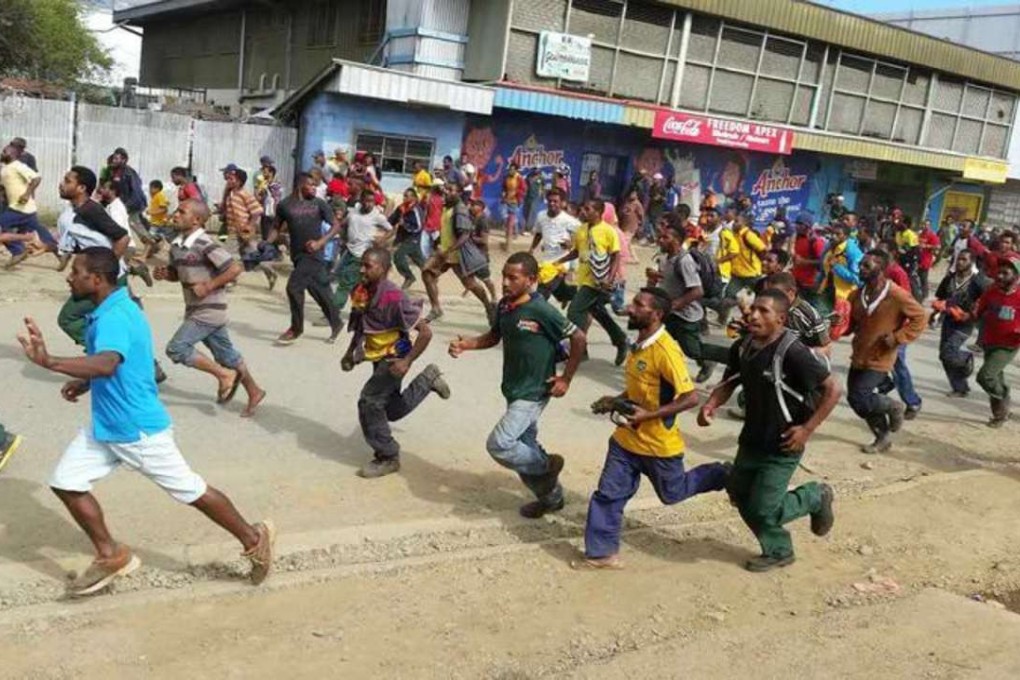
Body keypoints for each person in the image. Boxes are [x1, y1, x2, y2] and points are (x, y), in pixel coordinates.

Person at [18, 249, 276, 597]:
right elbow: (123, 363)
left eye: (76, 272)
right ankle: (111, 555)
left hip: (136, 429)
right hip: (107, 426)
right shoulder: (112, 307)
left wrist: (50, 361)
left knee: (191, 490)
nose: (69, 276)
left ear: (96, 279)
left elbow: (108, 362)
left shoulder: (114, 316)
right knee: (66, 482)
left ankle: (254, 539)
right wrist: (86, 381)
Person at [577, 288, 729, 569]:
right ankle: (601, 553)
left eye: (638, 305)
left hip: (658, 445)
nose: (630, 309)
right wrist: (616, 400)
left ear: (656, 314)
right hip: (626, 440)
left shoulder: (666, 351)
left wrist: (649, 415)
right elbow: (643, 387)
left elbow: (691, 397)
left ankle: (721, 474)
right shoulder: (640, 344)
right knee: (609, 494)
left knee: (672, 494)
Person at [699, 289, 840, 572]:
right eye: (753, 309)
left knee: (762, 509)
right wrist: (712, 404)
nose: (753, 314)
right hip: (752, 439)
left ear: (781, 319)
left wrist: (807, 430)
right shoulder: (743, 346)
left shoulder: (793, 352)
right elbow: (731, 380)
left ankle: (813, 498)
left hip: (784, 444)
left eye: (763, 311)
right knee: (739, 496)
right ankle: (779, 545)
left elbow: (834, 389)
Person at [449, 252, 586, 518]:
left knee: (500, 444)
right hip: (513, 389)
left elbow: (578, 338)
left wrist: (565, 379)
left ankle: (546, 466)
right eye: (504, 276)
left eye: (513, 278)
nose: (505, 283)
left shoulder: (541, 309)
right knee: (523, 447)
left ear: (531, 280)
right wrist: (468, 344)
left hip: (534, 392)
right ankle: (551, 498)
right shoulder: (504, 306)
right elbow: (494, 336)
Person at [341, 247, 451, 478]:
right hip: (377, 353)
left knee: (369, 402)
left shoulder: (394, 296)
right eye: (362, 264)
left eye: (368, 266)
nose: (362, 269)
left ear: (384, 269)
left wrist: (407, 360)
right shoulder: (361, 291)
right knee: (389, 409)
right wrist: (351, 351)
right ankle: (427, 380)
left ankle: (388, 456)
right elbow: (361, 323)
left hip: (396, 352)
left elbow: (425, 333)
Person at [155, 199, 266, 418]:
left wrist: (208, 286)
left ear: (196, 220)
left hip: (210, 310)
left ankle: (224, 376)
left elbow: (233, 269)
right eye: (177, 210)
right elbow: (179, 274)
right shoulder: (177, 245)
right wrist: (166, 275)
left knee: (176, 348)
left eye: (181, 211)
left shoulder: (206, 243)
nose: (175, 214)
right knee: (227, 356)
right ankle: (254, 391)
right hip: (194, 308)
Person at [845, 250, 927, 453]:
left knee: (861, 396)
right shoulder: (856, 295)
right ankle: (882, 437)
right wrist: (839, 324)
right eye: (861, 265)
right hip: (860, 353)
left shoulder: (896, 295)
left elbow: (920, 317)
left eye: (867, 266)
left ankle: (893, 406)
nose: (861, 269)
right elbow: (851, 324)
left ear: (881, 269)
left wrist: (898, 338)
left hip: (881, 356)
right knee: (857, 401)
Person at [649, 215, 727, 383]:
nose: (660, 240)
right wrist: (653, 277)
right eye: (660, 236)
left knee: (692, 350)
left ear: (677, 241)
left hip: (686, 315)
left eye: (665, 237)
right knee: (658, 341)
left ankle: (719, 358)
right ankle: (659, 374)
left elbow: (697, 291)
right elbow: (666, 281)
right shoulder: (664, 258)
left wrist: (675, 304)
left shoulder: (685, 261)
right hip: (670, 314)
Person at [269, 173, 343, 345]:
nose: (314, 188)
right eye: (311, 184)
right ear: (300, 185)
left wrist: (320, 242)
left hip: (313, 255)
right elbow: (275, 228)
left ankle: (296, 329)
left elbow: (336, 226)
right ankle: (336, 322)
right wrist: (266, 243)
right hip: (297, 255)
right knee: (317, 290)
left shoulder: (319, 204)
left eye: (315, 185)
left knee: (293, 287)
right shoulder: (285, 205)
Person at [558, 198, 629, 366]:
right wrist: (558, 262)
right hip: (583, 279)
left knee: (574, 312)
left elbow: (616, 256)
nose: (584, 211)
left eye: (588, 208)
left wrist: (609, 280)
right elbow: (577, 252)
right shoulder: (581, 230)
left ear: (598, 212)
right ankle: (621, 340)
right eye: (583, 208)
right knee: (598, 312)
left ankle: (579, 350)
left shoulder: (608, 231)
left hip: (598, 282)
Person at [422, 181, 493, 322]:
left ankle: (489, 306)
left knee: (470, 285)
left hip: (456, 255)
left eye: (451, 190)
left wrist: (448, 250)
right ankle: (436, 309)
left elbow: (465, 235)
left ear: (459, 193)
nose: (447, 192)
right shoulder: (446, 208)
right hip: (444, 254)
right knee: (427, 272)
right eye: (446, 189)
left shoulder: (459, 209)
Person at [969, 257, 1020, 427]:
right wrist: (968, 313)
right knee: (997, 377)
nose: (1000, 276)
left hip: (1008, 345)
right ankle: (999, 415)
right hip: (989, 341)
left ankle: (1003, 400)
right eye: (999, 272)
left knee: (986, 376)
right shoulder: (992, 291)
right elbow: (979, 310)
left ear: (1016, 275)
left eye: (1005, 273)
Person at [332, 188, 394, 315]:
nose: (368, 204)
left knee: (345, 281)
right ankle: (367, 307)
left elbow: (391, 229)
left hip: (361, 254)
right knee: (351, 281)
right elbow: (343, 224)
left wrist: (381, 240)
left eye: (371, 201)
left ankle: (333, 312)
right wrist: (342, 237)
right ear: (361, 200)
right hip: (348, 251)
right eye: (366, 201)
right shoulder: (354, 212)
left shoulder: (377, 216)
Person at [932, 249, 985, 397]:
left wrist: (974, 313)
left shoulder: (977, 281)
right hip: (949, 320)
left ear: (971, 262)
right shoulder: (949, 279)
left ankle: (966, 357)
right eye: (958, 259)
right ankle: (960, 388)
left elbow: (987, 300)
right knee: (944, 356)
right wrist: (935, 313)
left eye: (964, 260)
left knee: (949, 351)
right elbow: (940, 297)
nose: (960, 262)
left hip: (965, 322)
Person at [1, 143, 56, 267]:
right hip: (17, 207)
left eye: (5, 151)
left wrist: (27, 194)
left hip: (21, 207)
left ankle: (24, 244)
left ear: (13, 153)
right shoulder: (5, 169)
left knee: (3, 225)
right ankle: (58, 252)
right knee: (38, 229)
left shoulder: (18, 166)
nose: (2, 154)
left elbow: (36, 178)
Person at [530, 187, 580, 305]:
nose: (552, 204)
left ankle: (537, 310)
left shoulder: (569, 220)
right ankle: (568, 295)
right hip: (546, 259)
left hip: (562, 262)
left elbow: (582, 235)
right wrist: (532, 248)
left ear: (562, 203)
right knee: (555, 285)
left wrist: (571, 243)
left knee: (544, 287)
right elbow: (538, 233)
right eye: (550, 201)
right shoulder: (541, 216)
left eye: (556, 201)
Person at [818, 223, 861, 340]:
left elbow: (857, 279)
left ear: (846, 236)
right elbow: (824, 270)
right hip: (826, 293)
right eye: (832, 233)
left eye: (838, 234)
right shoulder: (830, 247)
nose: (834, 236)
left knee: (831, 335)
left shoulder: (852, 252)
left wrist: (837, 267)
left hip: (843, 298)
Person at [107, 148, 151, 249]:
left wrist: (128, 206)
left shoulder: (129, 173)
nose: (114, 161)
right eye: (113, 158)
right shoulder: (116, 172)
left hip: (132, 204)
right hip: (123, 204)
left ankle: (151, 245)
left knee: (136, 226)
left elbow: (136, 190)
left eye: (116, 159)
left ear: (124, 160)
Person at [390, 188, 427, 289]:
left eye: (407, 196)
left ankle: (409, 277)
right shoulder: (401, 208)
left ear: (414, 198)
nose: (404, 198)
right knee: (420, 261)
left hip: (412, 239)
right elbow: (391, 221)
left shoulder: (416, 209)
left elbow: (419, 226)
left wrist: (405, 225)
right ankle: (431, 275)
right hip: (402, 238)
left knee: (398, 255)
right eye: (404, 195)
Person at [790, 212, 825, 308]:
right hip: (797, 281)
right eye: (796, 223)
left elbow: (823, 263)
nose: (796, 226)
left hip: (809, 285)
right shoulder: (797, 237)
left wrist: (804, 262)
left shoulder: (816, 241)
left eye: (799, 224)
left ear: (807, 226)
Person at [501, 162, 524, 248]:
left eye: (512, 169)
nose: (511, 171)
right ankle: (513, 232)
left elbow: (523, 189)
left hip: (515, 200)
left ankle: (510, 238)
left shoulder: (519, 178)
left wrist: (516, 194)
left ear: (516, 170)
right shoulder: (506, 177)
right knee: (505, 217)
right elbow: (503, 187)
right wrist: (503, 193)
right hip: (506, 200)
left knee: (512, 218)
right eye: (510, 169)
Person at [917, 219, 941, 301]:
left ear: (929, 226)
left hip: (926, 259)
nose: (924, 226)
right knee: (917, 276)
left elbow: (938, 246)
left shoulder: (932, 235)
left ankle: (925, 295)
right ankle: (919, 293)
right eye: (923, 224)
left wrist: (927, 246)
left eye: (927, 225)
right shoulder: (920, 234)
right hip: (918, 258)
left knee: (923, 277)